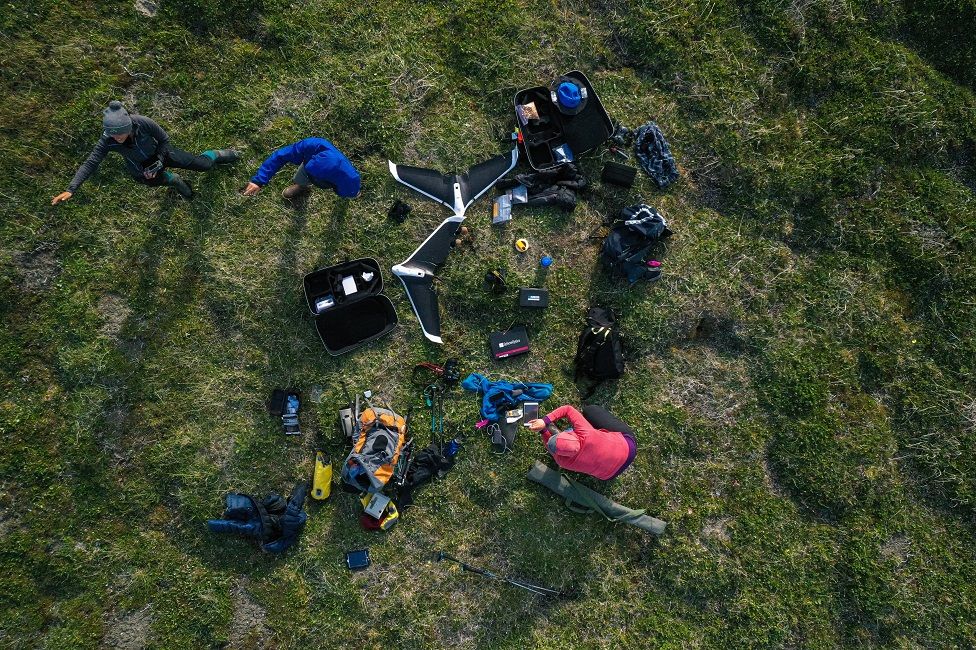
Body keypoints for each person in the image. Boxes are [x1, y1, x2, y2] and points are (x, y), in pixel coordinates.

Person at [51, 100, 239, 204]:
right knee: (162, 180)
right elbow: (90, 163)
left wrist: (159, 158)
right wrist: (71, 189)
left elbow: (164, 139)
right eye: (112, 135)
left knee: (204, 165)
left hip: (162, 153)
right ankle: (175, 181)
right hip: (141, 170)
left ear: (129, 125)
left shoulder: (142, 122)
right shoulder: (107, 140)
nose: (116, 138)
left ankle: (216, 154)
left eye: (120, 134)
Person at [526, 404, 636, 480]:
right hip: (628, 448)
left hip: (610, 474)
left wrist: (544, 430)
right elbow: (568, 409)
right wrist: (545, 420)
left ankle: (559, 433)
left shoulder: (563, 462)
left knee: (590, 413)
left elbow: (550, 448)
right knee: (590, 410)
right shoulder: (585, 431)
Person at [242, 137, 361, 199]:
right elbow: (280, 156)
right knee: (301, 176)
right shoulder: (311, 145)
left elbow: (346, 191)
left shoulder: (350, 179)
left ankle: (308, 181)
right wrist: (259, 180)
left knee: (349, 192)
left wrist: (351, 193)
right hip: (309, 168)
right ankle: (301, 186)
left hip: (328, 181)